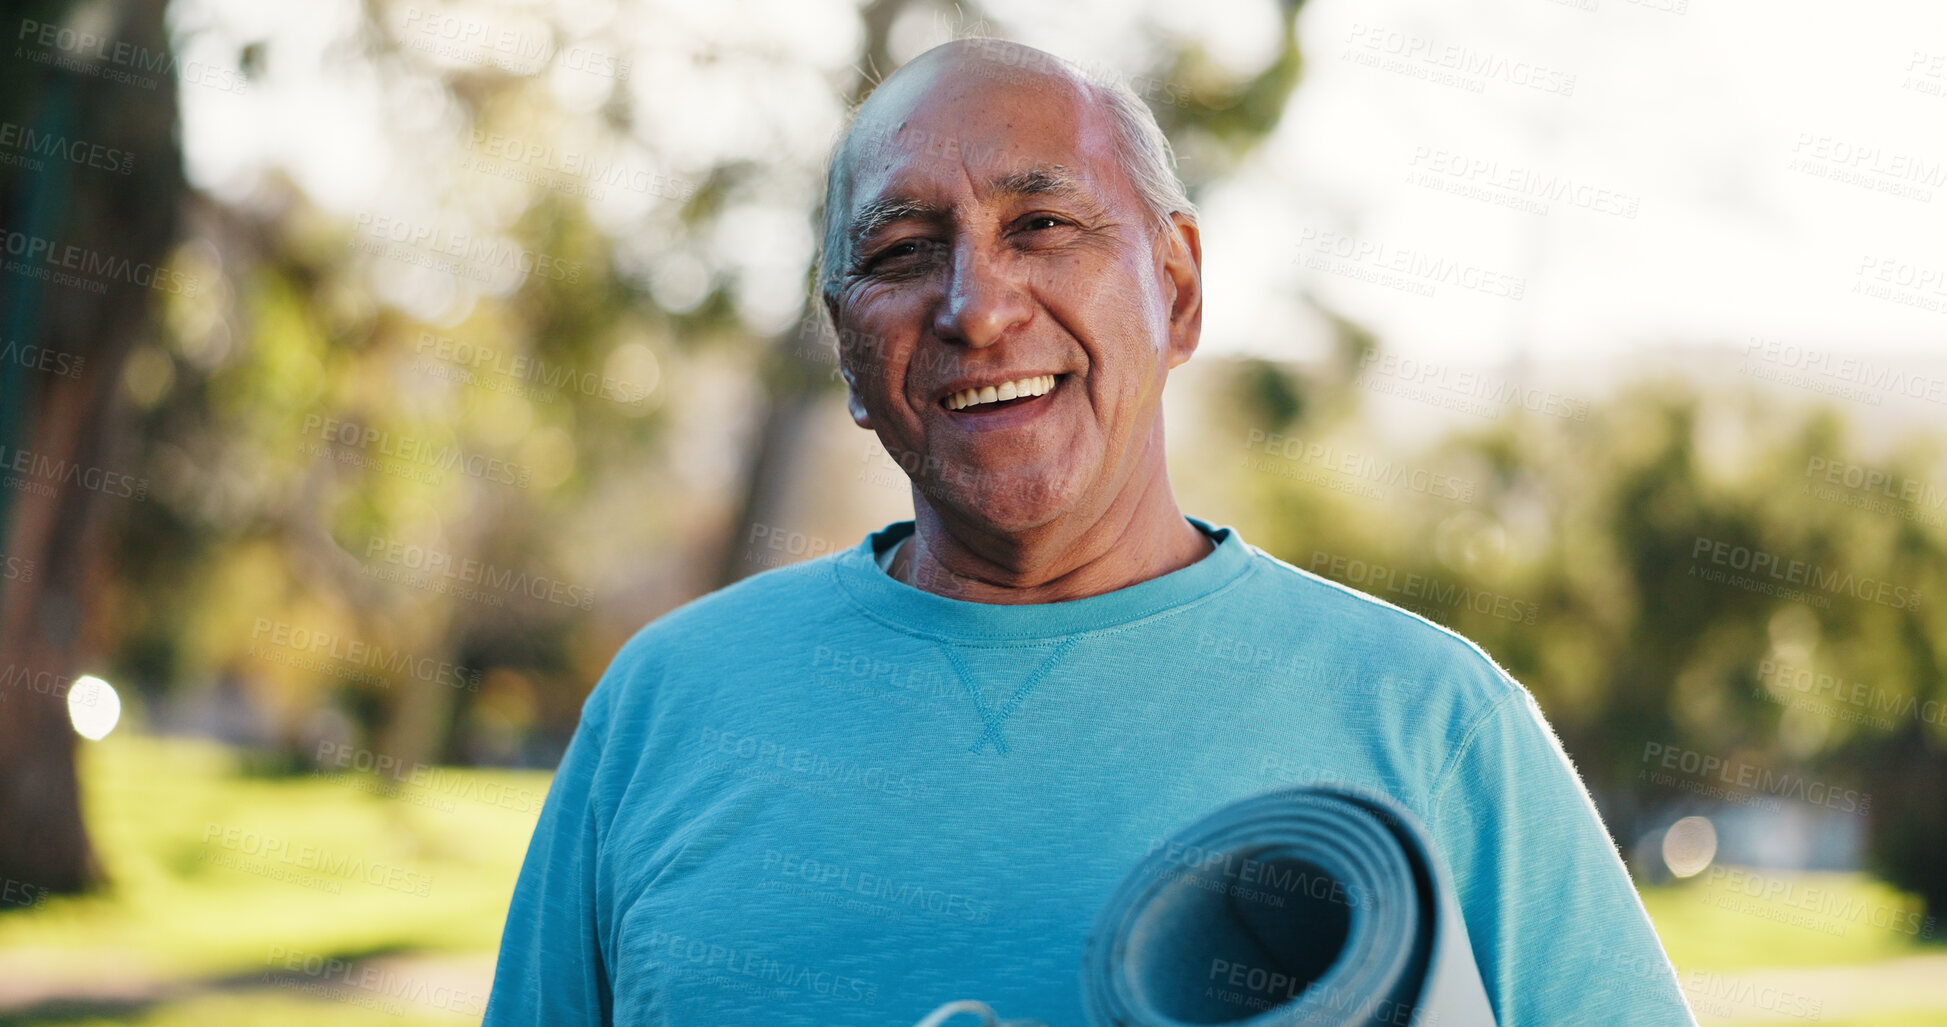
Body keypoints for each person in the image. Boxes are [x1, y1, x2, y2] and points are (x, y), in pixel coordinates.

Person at [483, 37, 1696, 1026]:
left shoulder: (1434, 723)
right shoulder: (665, 706)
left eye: (1042, 227)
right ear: (848, 351)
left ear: (1176, 287)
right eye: (904, 254)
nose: (977, 306)